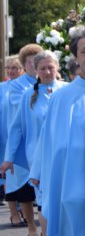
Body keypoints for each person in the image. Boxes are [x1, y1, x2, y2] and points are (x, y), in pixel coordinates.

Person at [31, 26, 85, 236]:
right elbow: (50, 142)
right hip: (75, 188)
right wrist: (40, 172)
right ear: (76, 58)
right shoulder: (62, 97)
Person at [3, 50, 67, 236]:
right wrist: (9, 158)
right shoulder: (27, 95)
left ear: (57, 68)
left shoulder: (67, 90)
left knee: (64, 199)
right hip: (38, 158)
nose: (47, 72)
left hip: (65, 155)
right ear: (35, 70)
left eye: (50, 67)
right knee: (44, 200)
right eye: (43, 68)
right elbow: (17, 129)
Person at [1, 44, 43, 233]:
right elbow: (21, 114)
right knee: (24, 189)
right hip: (25, 141)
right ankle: (32, 227)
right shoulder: (17, 86)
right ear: (24, 65)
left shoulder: (51, 82)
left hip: (44, 142)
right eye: (31, 62)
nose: (35, 65)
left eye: (38, 61)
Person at [0, 56, 23, 214]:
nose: (11, 71)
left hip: (20, 133)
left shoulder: (26, 87)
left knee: (20, 171)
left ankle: (24, 205)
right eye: (9, 68)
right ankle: (14, 211)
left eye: (15, 68)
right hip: (4, 133)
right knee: (7, 171)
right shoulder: (2, 87)